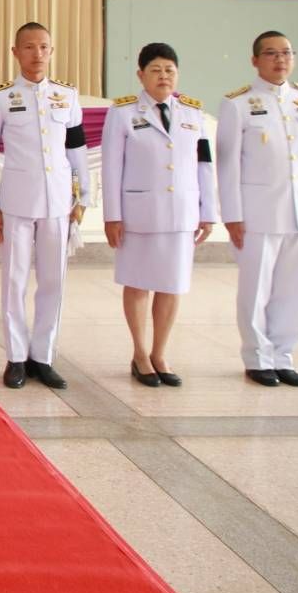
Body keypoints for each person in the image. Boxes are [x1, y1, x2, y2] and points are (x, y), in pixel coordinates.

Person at [0, 22, 91, 391]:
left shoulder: (66, 96)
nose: (37, 54)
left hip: (58, 203)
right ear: (15, 52)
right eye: (28, 47)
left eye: (43, 47)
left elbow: (76, 148)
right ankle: (16, 356)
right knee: (14, 281)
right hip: (16, 203)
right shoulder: (0, 98)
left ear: (51, 51)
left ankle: (42, 356)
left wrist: (83, 196)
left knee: (53, 281)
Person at [217, 30, 298, 387]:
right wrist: (232, 215)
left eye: (286, 52)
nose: (280, 59)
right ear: (255, 60)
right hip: (256, 214)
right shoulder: (237, 104)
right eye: (270, 53)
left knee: (292, 290)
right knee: (256, 290)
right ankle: (257, 358)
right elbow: (227, 165)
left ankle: (283, 356)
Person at [101, 43, 216, 388]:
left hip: (181, 214)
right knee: (137, 283)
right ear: (141, 75)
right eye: (155, 70)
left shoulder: (193, 113)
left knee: (172, 285)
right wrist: (112, 216)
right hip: (138, 214)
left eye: (169, 70)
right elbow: (111, 167)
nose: (163, 76)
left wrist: (208, 212)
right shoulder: (123, 113)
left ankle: (160, 354)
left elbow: (204, 165)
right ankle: (140, 354)